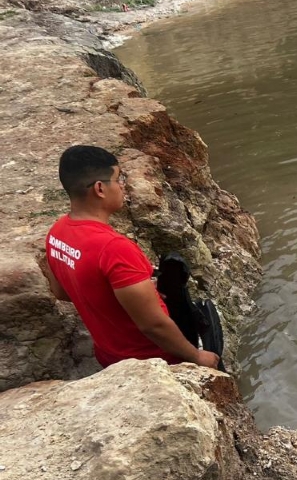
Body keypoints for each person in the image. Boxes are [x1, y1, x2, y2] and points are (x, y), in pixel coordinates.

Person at [42, 145, 220, 369]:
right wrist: (197, 357)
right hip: (154, 361)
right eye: (118, 179)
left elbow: (62, 292)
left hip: (108, 356)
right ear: (99, 188)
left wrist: (136, 295)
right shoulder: (115, 249)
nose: (123, 185)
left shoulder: (57, 233)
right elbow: (153, 326)